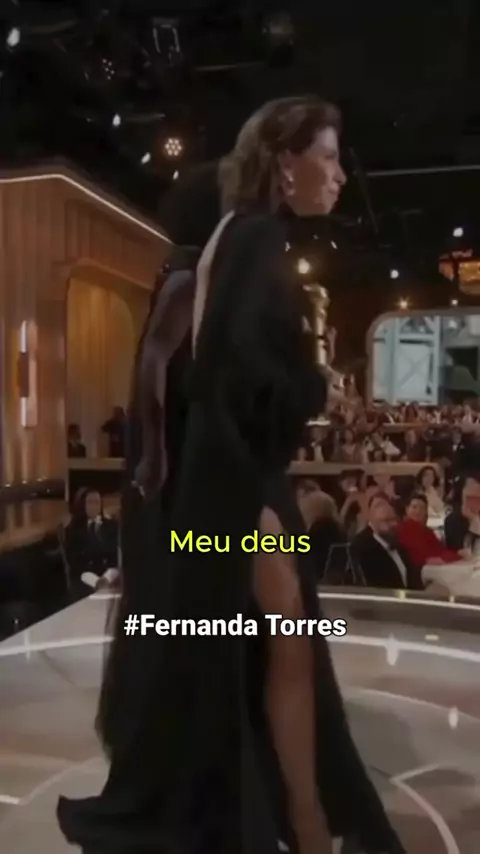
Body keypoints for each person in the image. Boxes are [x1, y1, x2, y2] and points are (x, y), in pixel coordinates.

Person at [58, 96, 405, 854]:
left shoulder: (234, 240)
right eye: (327, 157)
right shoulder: (249, 239)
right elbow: (229, 374)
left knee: (259, 636)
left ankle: (291, 810)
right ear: (285, 160)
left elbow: (199, 373)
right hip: (237, 496)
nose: (338, 175)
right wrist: (307, 391)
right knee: (283, 634)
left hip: (225, 492)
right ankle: (303, 818)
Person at [396, 493, 462, 570]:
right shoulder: (401, 529)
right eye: (414, 507)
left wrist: (457, 554)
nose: (418, 511)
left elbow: (439, 550)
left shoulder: (427, 531)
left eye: (422, 508)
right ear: (407, 509)